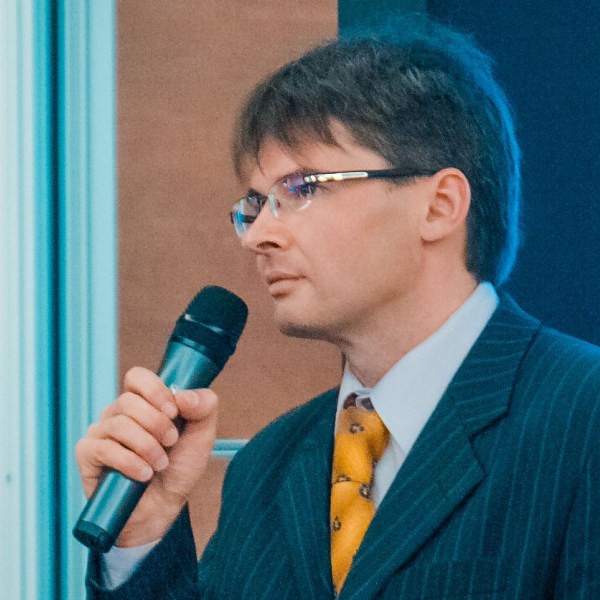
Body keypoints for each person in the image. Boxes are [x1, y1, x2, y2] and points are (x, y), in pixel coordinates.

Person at [77, 17, 600, 599]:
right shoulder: (266, 467)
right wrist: (142, 538)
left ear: (440, 205)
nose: (259, 235)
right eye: (255, 204)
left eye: (302, 189)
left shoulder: (582, 417)